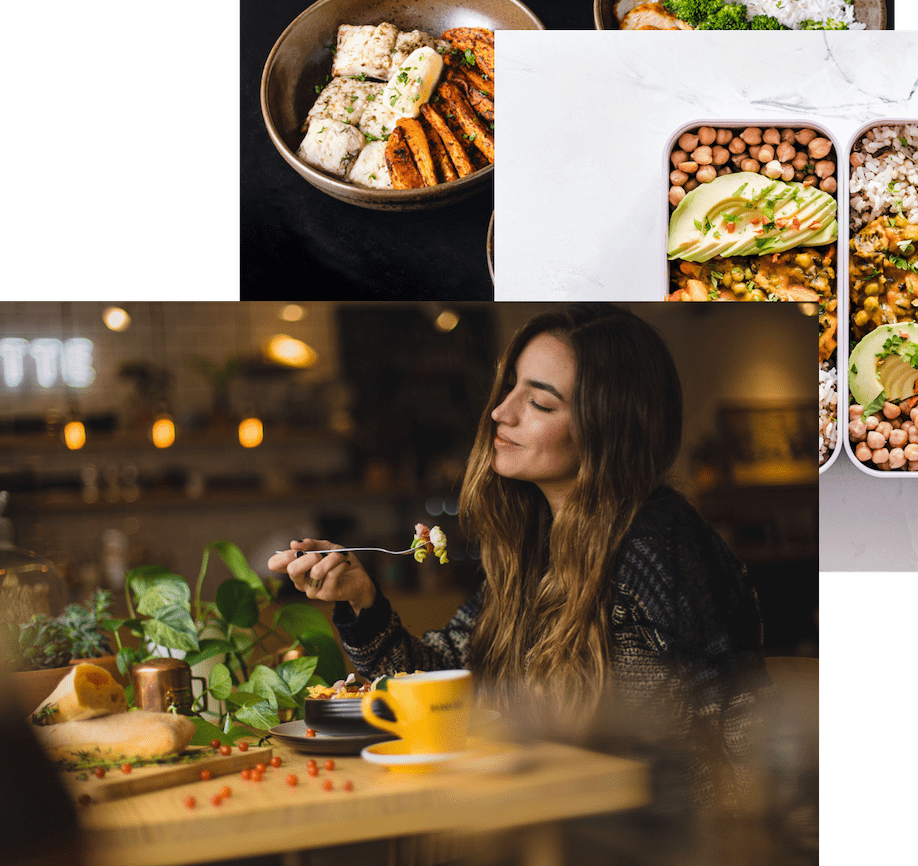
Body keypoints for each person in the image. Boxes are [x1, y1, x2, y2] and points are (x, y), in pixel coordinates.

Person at [267, 304, 770, 805]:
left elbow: (742, 726)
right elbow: (446, 677)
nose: (499, 412)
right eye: (510, 388)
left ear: (608, 429)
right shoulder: (536, 546)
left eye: (541, 404)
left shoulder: (657, 541)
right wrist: (361, 599)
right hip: (551, 818)